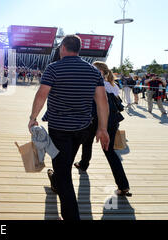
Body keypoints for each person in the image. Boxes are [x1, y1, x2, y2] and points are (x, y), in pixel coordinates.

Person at [27, 35, 109, 220]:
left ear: (63, 47)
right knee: (64, 164)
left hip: (60, 129)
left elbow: (42, 95)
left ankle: (72, 216)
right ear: (78, 49)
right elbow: (102, 101)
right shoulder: (93, 71)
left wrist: (33, 118)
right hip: (83, 129)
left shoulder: (54, 68)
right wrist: (102, 128)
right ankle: (55, 180)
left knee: (64, 173)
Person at [74, 61, 131, 196]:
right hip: (112, 121)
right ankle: (123, 185)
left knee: (87, 142)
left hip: (95, 119)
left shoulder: (95, 85)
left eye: (94, 70)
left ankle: (83, 164)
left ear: (101, 72)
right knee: (109, 151)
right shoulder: (113, 85)